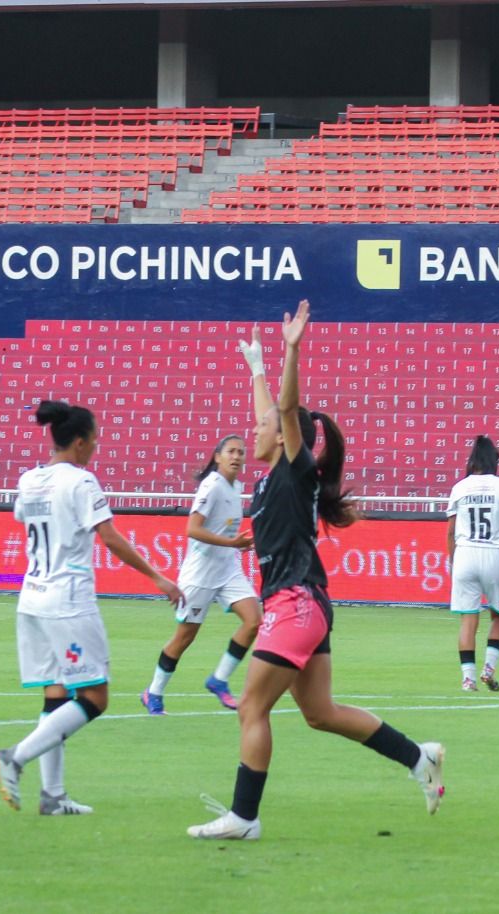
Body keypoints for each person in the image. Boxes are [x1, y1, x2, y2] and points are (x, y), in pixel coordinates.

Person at [188, 302, 444, 842]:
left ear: (284, 436)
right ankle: (419, 757)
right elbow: (273, 413)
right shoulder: (271, 473)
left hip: (295, 604)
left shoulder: (292, 467)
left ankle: (244, 817)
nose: (249, 432)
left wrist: (292, 350)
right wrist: (256, 368)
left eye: (262, 425)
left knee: (252, 706)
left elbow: (283, 410)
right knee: (320, 712)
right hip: (309, 606)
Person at [0, 400, 182, 815]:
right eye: (94, 440)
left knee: (56, 696)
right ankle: (14, 758)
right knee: (95, 696)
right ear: (78, 443)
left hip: (32, 599)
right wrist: (158, 577)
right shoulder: (81, 482)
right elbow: (109, 537)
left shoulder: (29, 480)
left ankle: (53, 797)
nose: (95, 447)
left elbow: (25, 518)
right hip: (68, 599)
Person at [141, 434, 262, 714]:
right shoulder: (212, 487)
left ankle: (219, 680)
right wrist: (232, 543)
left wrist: (237, 545)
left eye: (241, 452)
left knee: (254, 620)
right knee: (185, 637)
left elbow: (224, 530)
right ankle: (153, 692)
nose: (236, 457)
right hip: (200, 572)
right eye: (231, 451)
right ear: (218, 456)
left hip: (228, 568)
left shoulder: (235, 488)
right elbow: (192, 529)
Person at [445, 435, 499, 692]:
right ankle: (488, 669)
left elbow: (450, 532)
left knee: (468, 620)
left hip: (465, 555)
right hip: (495, 555)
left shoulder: (460, 488)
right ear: (495, 461)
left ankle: (467, 678)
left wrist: (453, 559)